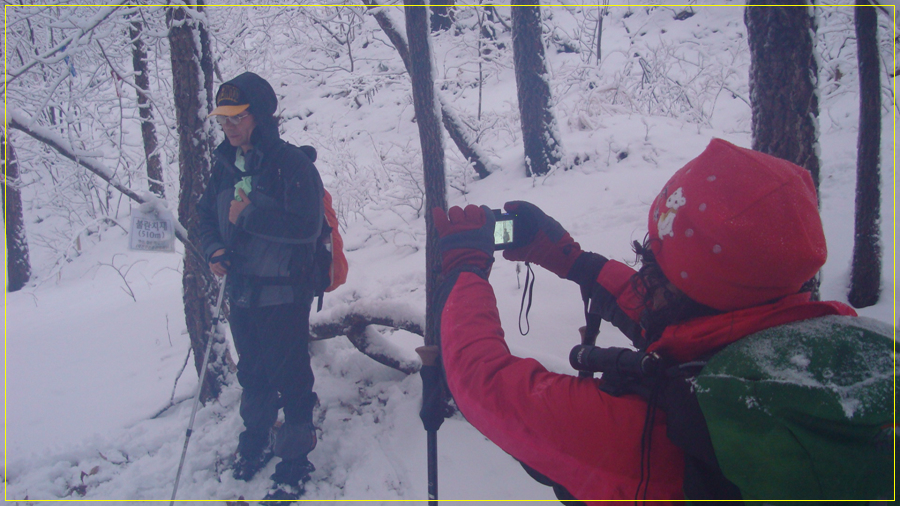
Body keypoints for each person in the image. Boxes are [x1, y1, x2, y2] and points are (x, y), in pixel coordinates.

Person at [431, 138, 893, 502]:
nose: (643, 279)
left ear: (684, 290)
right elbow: (694, 322)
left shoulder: (671, 430)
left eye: (655, 266)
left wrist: (465, 271)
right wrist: (570, 260)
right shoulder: (857, 348)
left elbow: (484, 383)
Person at [197, 72, 324, 500]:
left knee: (291, 378)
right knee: (252, 374)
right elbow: (203, 219)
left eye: (237, 117)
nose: (229, 126)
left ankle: (293, 458)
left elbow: (308, 227)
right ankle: (255, 439)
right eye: (223, 119)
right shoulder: (224, 166)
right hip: (242, 293)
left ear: (260, 116)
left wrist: (248, 216)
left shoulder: (293, 165)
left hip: (285, 292)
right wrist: (215, 251)